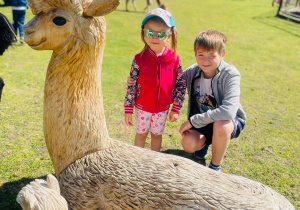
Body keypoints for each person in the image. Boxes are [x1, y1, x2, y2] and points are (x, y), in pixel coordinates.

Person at [179, 29, 246, 171]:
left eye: (212, 55)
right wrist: (136, 80)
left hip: (227, 122)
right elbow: (172, 85)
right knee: (188, 144)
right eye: (201, 55)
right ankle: (204, 144)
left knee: (221, 125)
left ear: (222, 55)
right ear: (195, 54)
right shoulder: (192, 72)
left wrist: (192, 121)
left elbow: (228, 112)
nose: (205, 60)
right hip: (204, 122)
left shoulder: (231, 74)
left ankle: (215, 167)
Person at [124, 8, 186, 152]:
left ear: (169, 36)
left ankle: (154, 162)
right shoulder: (139, 59)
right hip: (142, 108)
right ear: (144, 33)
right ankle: (137, 161)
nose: (155, 38)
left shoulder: (174, 59)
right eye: (150, 33)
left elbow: (180, 85)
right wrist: (128, 108)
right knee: (141, 135)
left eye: (162, 34)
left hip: (162, 110)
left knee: (157, 136)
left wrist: (176, 107)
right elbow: (132, 84)